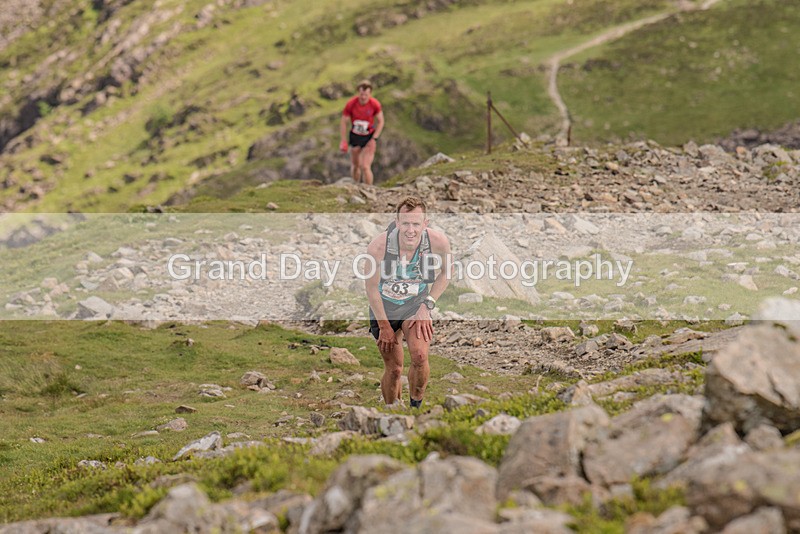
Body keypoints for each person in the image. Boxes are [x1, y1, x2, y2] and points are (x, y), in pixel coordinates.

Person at [365, 196, 451, 409]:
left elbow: (447, 273)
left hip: (416, 303)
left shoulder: (438, 242)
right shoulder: (378, 247)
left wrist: (427, 305)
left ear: (425, 223)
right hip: (385, 307)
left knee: (420, 355)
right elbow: (371, 289)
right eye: (405, 223)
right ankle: (392, 412)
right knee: (394, 369)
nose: (410, 230)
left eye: (415, 224)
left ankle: (415, 409)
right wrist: (384, 326)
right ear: (397, 222)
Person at [340, 79, 384, 185]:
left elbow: (381, 121)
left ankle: (369, 190)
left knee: (365, 166)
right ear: (358, 93)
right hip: (355, 136)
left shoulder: (375, 104)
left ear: (370, 94)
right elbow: (343, 121)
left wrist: (375, 138)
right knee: (356, 165)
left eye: (366, 95)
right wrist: (343, 141)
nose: (363, 97)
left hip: (368, 137)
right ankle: (355, 187)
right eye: (361, 94)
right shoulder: (351, 104)